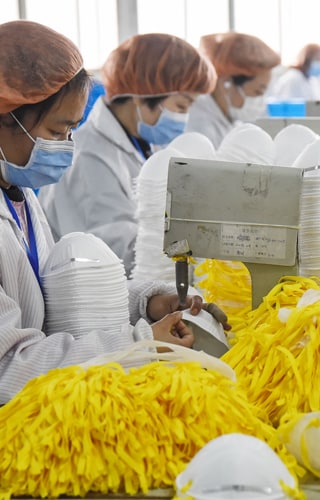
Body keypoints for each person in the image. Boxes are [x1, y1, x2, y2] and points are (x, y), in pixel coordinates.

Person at [0, 20, 229, 405]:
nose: (67, 147)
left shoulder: (17, 192)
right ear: (7, 117)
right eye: (57, 133)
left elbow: (63, 287)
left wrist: (148, 301)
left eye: (72, 131)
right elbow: (9, 366)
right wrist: (139, 343)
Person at [38, 33, 216, 276]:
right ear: (143, 96)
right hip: (98, 293)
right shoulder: (88, 158)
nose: (183, 119)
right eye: (181, 106)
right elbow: (115, 250)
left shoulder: (144, 143)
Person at [185, 32, 281, 148]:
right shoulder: (199, 125)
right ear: (227, 83)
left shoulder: (229, 119)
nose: (260, 102)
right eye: (257, 92)